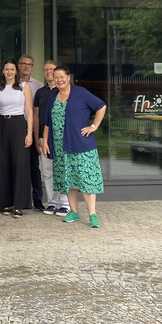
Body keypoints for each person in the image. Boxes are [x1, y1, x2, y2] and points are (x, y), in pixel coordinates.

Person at [42, 66, 107, 228]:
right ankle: (74, 211)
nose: (59, 80)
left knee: (86, 179)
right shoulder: (52, 97)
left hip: (81, 144)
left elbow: (101, 107)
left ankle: (92, 214)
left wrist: (94, 126)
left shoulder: (81, 93)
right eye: (56, 77)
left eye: (62, 76)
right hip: (60, 146)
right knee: (68, 179)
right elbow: (48, 122)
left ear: (68, 78)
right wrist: (45, 141)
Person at [0, 59, 33, 218]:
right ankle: (5, 202)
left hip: (19, 124)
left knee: (19, 164)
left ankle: (18, 204)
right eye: (6, 69)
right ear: (2, 71)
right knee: (2, 164)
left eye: (12, 69)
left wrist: (29, 132)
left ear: (16, 71)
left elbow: (29, 110)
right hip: (2, 124)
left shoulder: (24, 86)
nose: (9, 72)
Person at [34, 60, 70, 216]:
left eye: (52, 69)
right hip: (44, 137)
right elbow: (36, 116)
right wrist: (37, 137)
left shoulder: (65, 91)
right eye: (46, 70)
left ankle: (65, 203)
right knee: (48, 171)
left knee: (63, 170)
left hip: (63, 137)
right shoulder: (40, 92)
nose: (49, 72)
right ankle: (52, 202)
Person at [18, 55, 45, 211]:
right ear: (19, 65)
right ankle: (20, 199)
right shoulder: (12, 84)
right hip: (16, 127)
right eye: (24, 64)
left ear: (33, 67)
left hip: (32, 128)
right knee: (18, 165)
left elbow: (36, 112)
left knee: (34, 166)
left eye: (29, 64)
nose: (26, 66)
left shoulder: (39, 86)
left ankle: (37, 199)